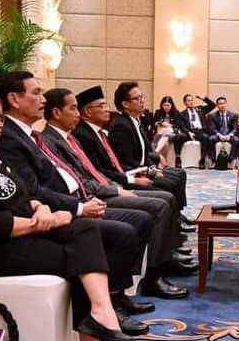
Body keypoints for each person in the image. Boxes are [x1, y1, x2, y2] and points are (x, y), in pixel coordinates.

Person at [0, 86, 137, 341]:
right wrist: (42, 222)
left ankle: (101, 313)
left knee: (84, 231)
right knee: (81, 254)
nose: (2, 123)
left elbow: (22, 195)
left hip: (22, 234)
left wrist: (40, 208)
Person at [42, 88, 197, 298]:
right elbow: (83, 179)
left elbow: (93, 173)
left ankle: (162, 258)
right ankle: (152, 275)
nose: (77, 114)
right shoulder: (55, 140)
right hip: (90, 197)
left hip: (104, 187)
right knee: (161, 202)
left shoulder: (71, 137)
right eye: (73, 109)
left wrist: (119, 186)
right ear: (57, 113)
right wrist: (118, 189)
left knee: (167, 192)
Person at [72, 86, 196, 234]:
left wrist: (151, 168)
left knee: (177, 176)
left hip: (124, 176)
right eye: (102, 106)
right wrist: (137, 177)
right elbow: (107, 168)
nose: (108, 109)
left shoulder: (104, 131)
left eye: (142, 97)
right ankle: (174, 226)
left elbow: (145, 151)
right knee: (166, 190)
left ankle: (176, 218)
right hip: (118, 180)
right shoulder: (92, 132)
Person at [108, 82, 191, 220]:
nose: (142, 101)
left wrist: (155, 163)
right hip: (134, 173)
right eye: (137, 98)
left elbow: (145, 151)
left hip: (143, 167)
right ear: (125, 104)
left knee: (180, 174)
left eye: (142, 97)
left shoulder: (136, 121)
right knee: (170, 183)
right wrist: (152, 171)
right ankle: (174, 218)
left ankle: (177, 214)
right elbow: (126, 162)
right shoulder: (121, 125)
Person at [176, 93, 216, 167]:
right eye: (188, 100)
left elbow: (213, 105)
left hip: (200, 132)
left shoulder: (200, 109)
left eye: (192, 100)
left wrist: (203, 98)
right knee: (178, 137)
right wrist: (188, 132)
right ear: (184, 103)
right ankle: (178, 159)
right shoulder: (182, 114)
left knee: (206, 137)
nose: (191, 102)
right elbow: (182, 126)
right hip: (189, 132)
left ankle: (202, 160)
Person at [153, 96, 184, 167]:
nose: (166, 107)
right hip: (160, 132)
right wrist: (160, 123)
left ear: (171, 105)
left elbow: (178, 125)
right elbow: (154, 123)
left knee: (167, 135)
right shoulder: (158, 112)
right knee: (165, 143)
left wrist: (169, 125)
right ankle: (164, 162)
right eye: (164, 105)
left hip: (171, 133)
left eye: (168, 105)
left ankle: (156, 152)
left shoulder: (176, 113)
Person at [208, 96, 239, 164]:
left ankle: (231, 160)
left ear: (226, 104)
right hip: (218, 135)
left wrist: (229, 135)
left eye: (224, 103)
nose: (222, 105)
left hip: (229, 135)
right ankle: (213, 161)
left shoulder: (233, 115)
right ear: (217, 105)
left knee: (236, 140)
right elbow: (213, 128)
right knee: (211, 139)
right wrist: (219, 135)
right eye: (220, 104)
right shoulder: (213, 115)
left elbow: (235, 128)